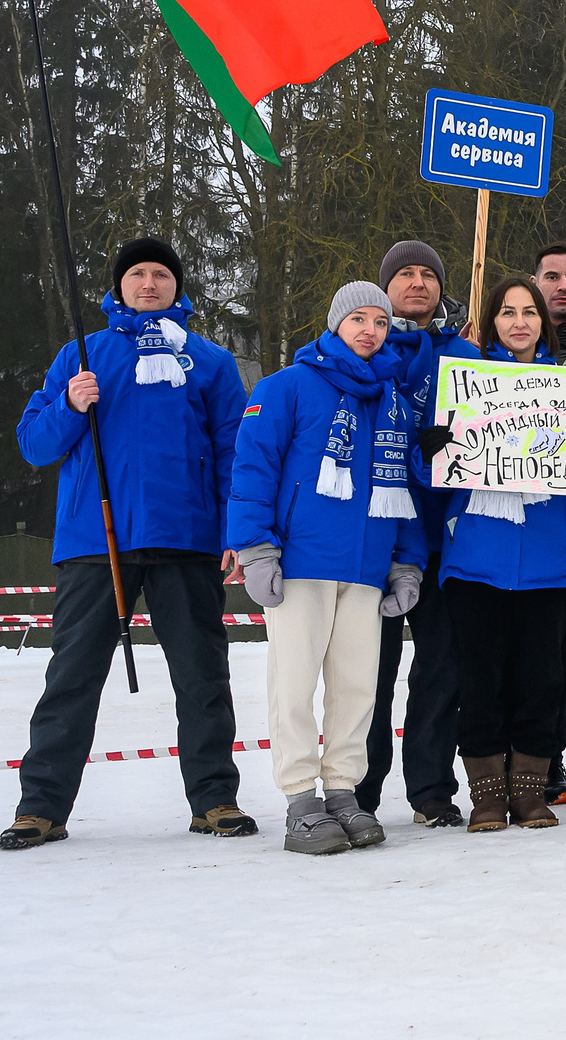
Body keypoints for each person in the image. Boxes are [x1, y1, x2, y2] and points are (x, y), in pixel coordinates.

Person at [0, 237, 254, 853]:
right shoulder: (80, 357)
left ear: (177, 285)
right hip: (95, 542)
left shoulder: (211, 362)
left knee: (202, 676)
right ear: (118, 287)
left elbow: (232, 454)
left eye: (160, 274)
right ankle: (41, 809)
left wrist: (233, 531)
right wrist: (68, 403)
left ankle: (214, 798)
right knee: (73, 676)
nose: (148, 284)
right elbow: (35, 445)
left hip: (186, 539)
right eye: (136, 274)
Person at [227, 281, 427, 854]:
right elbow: (253, 468)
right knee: (293, 683)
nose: (370, 331)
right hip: (300, 564)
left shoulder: (392, 398)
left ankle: (343, 790)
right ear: (336, 323)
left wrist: (407, 562)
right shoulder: (288, 386)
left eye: (381, 323)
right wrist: (255, 548)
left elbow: (406, 484)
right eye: (358, 319)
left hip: (365, 568)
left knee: (357, 687)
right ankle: (299, 799)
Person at [441, 273, 566, 831]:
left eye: (529, 312)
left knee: (544, 680)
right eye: (507, 312)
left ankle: (529, 791)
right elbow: (432, 476)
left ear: (543, 322)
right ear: (492, 321)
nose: (519, 321)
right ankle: (486, 794)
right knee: (481, 680)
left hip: (550, 560)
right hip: (478, 556)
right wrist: (431, 449)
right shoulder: (467, 382)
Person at [357, 241, 475, 829]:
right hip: (373, 537)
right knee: (368, 672)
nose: (418, 283)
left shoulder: (467, 355)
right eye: (404, 273)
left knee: (441, 668)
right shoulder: (365, 346)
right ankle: (360, 786)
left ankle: (430, 788)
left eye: (429, 274)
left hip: (441, 536)